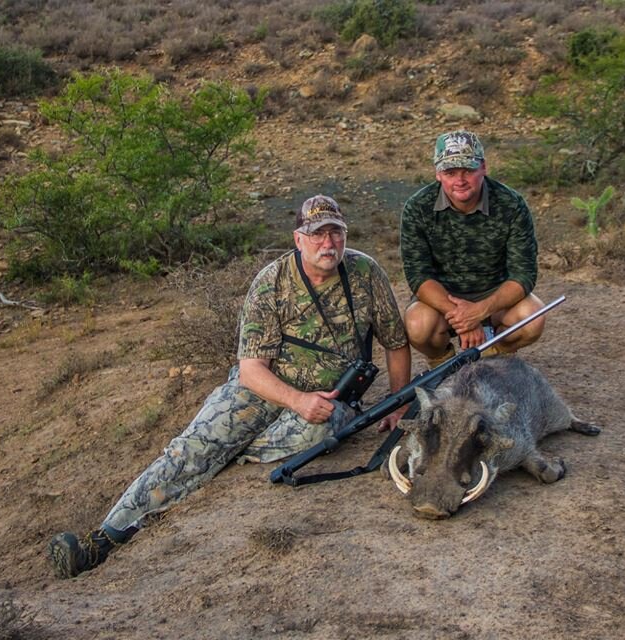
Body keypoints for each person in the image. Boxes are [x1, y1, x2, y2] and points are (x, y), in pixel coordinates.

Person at [48, 195, 411, 579]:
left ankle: (228, 452)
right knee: (190, 449)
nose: (328, 243)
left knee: (326, 427)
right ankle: (103, 539)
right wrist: (297, 400)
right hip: (263, 391)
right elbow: (252, 370)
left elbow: (396, 343)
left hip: (329, 401)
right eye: (317, 234)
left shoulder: (366, 272)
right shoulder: (271, 282)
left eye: (335, 233)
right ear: (298, 239)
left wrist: (398, 402)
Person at [400, 130, 546, 367]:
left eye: (468, 170)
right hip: (443, 303)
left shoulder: (512, 204)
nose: (460, 180)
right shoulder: (418, 207)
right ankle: (443, 363)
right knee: (417, 325)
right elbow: (419, 276)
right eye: (450, 172)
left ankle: (495, 352)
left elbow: (524, 275)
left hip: (496, 299)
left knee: (534, 317)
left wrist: (479, 312)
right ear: (438, 174)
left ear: (484, 167)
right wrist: (464, 320)